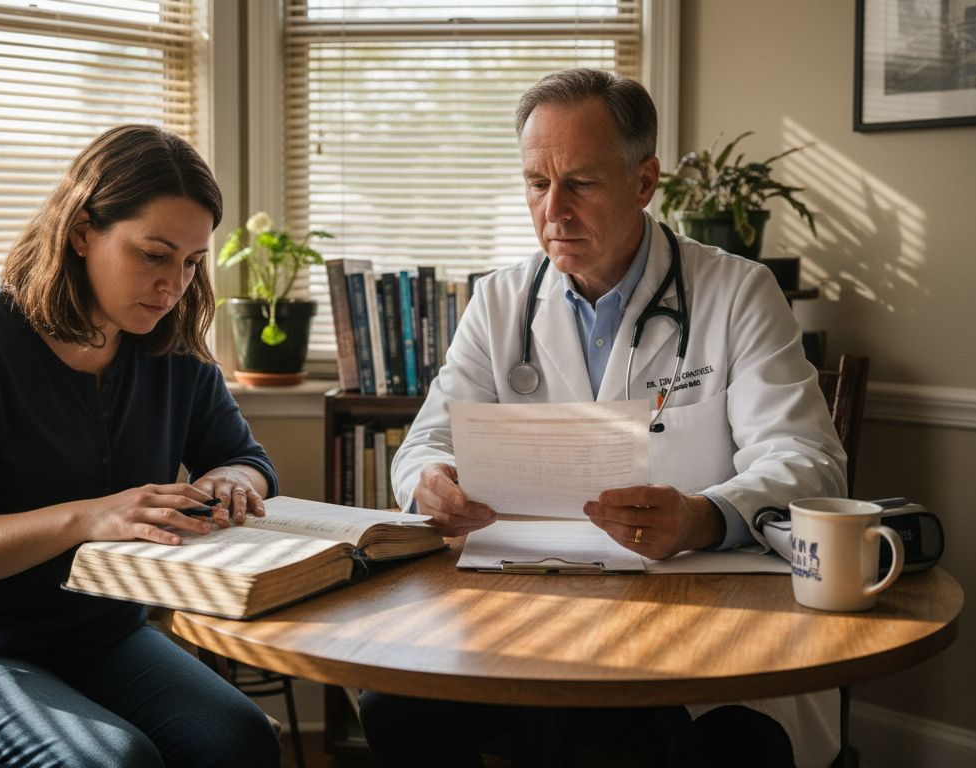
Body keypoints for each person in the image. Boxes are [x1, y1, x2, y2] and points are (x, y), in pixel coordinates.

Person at [360, 69, 848, 768]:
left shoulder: (737, 293)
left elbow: (809, 459)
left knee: (730, 748)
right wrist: (429, 482)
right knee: (395, 712)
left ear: (644, 182)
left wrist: (704, 516)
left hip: (693, 619)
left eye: (580, 183)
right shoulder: (500, 302)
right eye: (537, 182)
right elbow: (427, 441)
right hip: (529, 614)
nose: (553, 211)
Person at [0, 125, 282, 768]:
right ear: (82, 231)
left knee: (240, 740)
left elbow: (251, 463)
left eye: (192, 262)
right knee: (112, 762)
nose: (174, 286)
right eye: (153, 254)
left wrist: (233, 480)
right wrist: (90, 516)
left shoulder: (172, 353)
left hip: (100, 638)